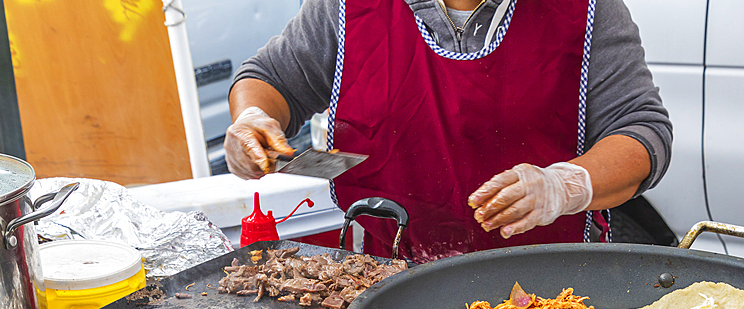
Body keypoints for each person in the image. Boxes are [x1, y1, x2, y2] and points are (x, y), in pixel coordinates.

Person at [224, 0, 672, 262]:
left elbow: (641, 131)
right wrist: (252, 118)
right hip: (388, 280)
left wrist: (564, 185)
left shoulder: (585, 10)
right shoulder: (347, 8)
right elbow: (272, 79)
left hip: (548, 282)